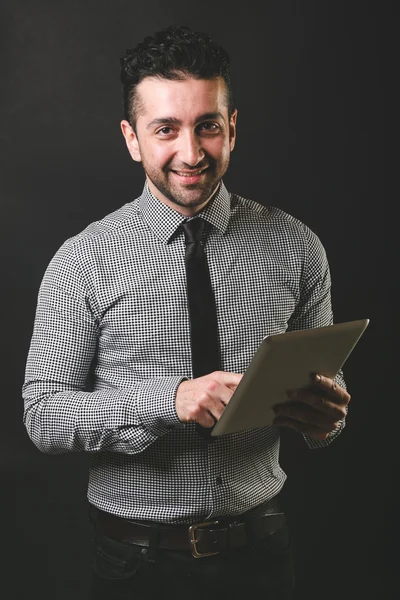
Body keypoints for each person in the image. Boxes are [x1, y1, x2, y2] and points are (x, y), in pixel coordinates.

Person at [22, 24, 350, 600]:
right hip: (136, 565)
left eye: (208, 127)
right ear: (132, 138)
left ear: (232, 129)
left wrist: (328, 418)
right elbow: (43, 417)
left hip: (265, 554)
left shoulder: (297, 247)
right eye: (165, 130)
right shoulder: (82, 260)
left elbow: (325, 406)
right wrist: (169, 399)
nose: (191, 153)